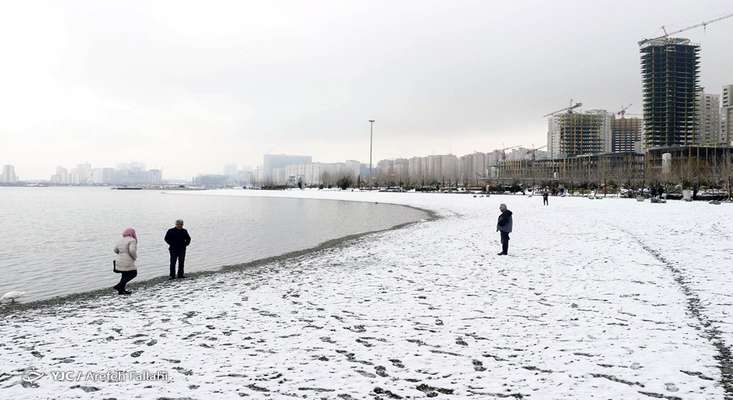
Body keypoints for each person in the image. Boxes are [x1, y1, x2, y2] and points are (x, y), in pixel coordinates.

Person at [113, 228, 138, 295]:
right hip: (127, 260)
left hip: (119, 260)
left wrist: (121, 253)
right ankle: (119, 286)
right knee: (133, 273)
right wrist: (134, 257)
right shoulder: (132, 240)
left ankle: (121, 291)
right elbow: (132, 250)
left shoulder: (121, 240)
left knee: (124, 275)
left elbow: (115, 250)